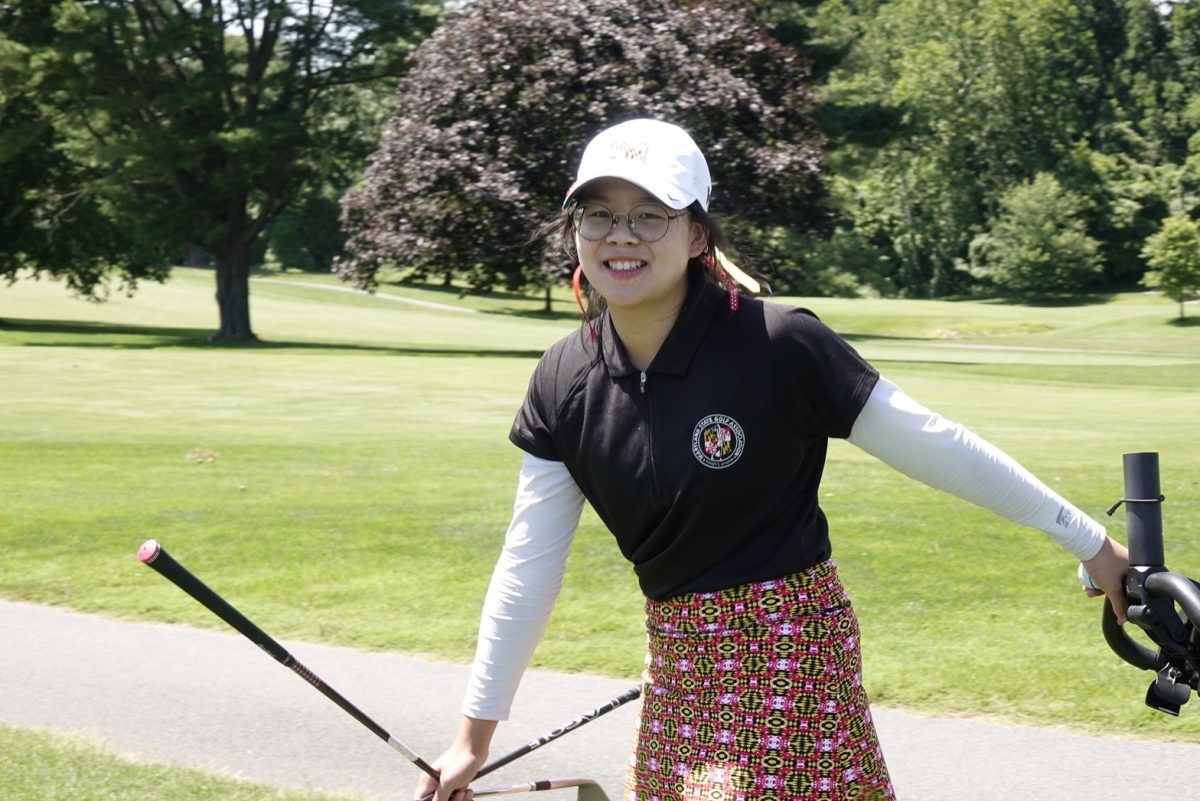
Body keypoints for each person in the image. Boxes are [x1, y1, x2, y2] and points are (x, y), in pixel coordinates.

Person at [414, 119, 1130, 801]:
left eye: (650, 215)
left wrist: (1088, 540)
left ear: (697, 234)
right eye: (598, 214)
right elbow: (528, 564)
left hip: (793, 650)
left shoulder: (778, 343)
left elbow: (936, 444)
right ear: (576, 231)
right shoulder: (562, 378)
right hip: (677, 667)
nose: (621, 236)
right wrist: (472, 738)